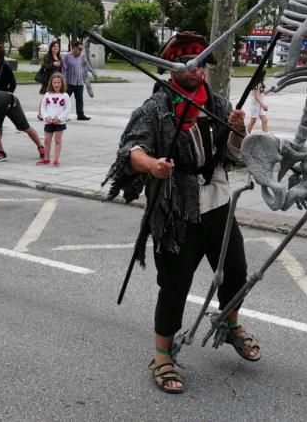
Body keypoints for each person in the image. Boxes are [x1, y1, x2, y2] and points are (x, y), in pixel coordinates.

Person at [103, 32, 256, 395]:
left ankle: (229, 324)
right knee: (174, 286)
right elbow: (130, 150)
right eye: (185, 60)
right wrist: (151, 164)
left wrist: (236, 133)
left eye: (198, 60)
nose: (193, 66)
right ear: (171, 68)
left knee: (236, 271)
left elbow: (232, 158)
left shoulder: (218, 105)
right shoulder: (154, 109)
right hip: (175, 209)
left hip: (217, 204)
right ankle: (162, 357)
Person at [38, 73, 69, 166]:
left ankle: (56, 159)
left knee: (57, 140)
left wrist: (59, 118)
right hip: (49, 122)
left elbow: (68, 109)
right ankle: (46, 158)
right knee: (47, 140)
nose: (56, 84)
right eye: (54, 82)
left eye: (58, 82)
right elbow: (43, 107)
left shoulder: (65, 95)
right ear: (51, 83)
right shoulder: (47, 95)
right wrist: (46, 117)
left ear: (62, 83)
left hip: (59, 122)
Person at [62, 40, 91, 120]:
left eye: (82, 49)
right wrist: (63, 82)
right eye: (79, 49)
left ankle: (80, 115)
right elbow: (63, 70)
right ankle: (62, 115)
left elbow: (84, 68)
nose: (80, 51)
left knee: (80, 100)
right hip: (69, 82)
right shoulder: (66, 56)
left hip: (80, 82)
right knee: (65, 100)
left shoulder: (82, 57)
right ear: (74, 48)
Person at [245, 68, 269, 134]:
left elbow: (262, 94)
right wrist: (263, 105)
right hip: (255, 106)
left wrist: (270, 90)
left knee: (265, 120)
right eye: (265, 75)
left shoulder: (260, 84)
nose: (265, 76)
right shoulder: (256, 85)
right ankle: (246, 134)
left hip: (260, 106)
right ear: (261, 76)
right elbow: (257, 96)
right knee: (253, 121)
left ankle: (266, 135)